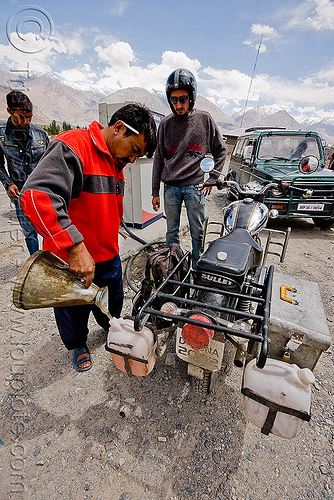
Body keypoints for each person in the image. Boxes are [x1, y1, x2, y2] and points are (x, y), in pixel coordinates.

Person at [20, 103, 157, 371]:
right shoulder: (73, 146)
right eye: (134, 151)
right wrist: (74, 246)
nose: (132, 161)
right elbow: (37, 196)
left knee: (112, 303)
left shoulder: (116, 162)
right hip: (71, 261)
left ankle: (111, 329)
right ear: (119, 128)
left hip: (108, 256)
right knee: (73, 311)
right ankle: (78, 344)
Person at [152, 68, 227, 268]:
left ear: (191, 97)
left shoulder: (205, 120)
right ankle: (172, 269)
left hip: (195, 187)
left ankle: (197, 268)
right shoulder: (166, 124)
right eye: (173, 100)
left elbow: (221, 150)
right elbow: (158, 158)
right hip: (170, 188)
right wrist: (154, 191)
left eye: (182, 99)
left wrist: (212, 178)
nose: (178, 104)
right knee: (171, 232)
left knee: (197, 231)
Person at [0, 90, 49, 254]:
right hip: (19, 192)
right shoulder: (1, 135)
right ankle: (36, 261)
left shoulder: (40, 135)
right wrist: (9, 184)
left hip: (43, 190)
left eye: (30, 117)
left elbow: (51, 164)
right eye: (22, 117)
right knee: (29, 232)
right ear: (9, 111)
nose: (26, 121)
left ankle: (52, 261)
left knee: (48, 229)